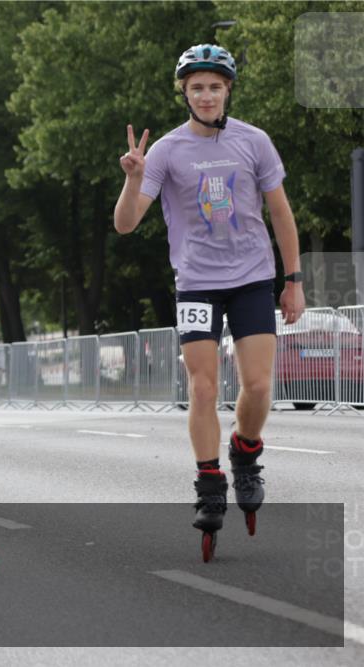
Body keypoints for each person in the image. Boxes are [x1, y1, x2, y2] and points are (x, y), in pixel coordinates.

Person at [114, 45, 305, 559]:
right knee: (202, 387)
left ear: (227, 92)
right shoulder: (167, 152)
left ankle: (244, 452)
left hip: (251, 277)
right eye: (196, 87)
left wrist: (294, 280)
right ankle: (209, 483)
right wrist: (133, 179)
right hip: (196, 281)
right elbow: (126, 224)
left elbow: (282, 215)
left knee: (260, 386)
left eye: (214, 87)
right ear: (185, 93)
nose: (205, 95)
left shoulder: (254, 141)